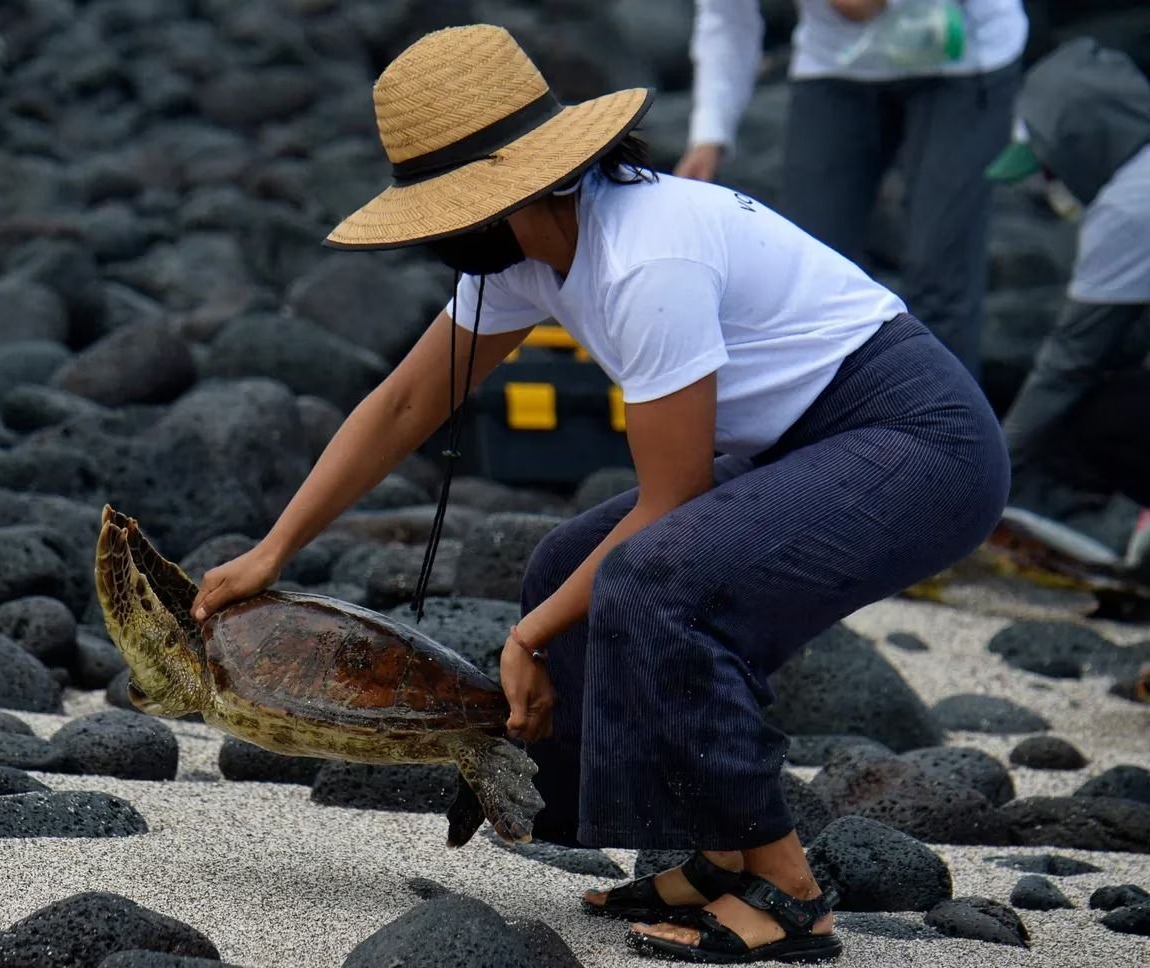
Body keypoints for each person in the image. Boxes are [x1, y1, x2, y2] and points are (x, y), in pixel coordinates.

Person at [190, 24, 1010, 964]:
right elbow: (409, 399)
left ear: (514, 192)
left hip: (920, 443)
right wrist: (275, 548)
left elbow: (671, 506)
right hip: (813, 439)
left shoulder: (643, 262)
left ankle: (788, 889)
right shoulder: (534, 248)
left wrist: (527, 637)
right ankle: (714, 854)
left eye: (450, 214)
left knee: (656, 584)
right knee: (560, 565)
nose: (443, 240)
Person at [678, 0, 1027, 382]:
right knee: (806, 274)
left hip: (965, 56)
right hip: (834, 64)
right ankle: (832, 431)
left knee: (941, 276)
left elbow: (859, 5)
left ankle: (947, 432)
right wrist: (709, 134)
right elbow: (727, 18)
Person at [985, 37, 1150, 567]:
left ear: (1085, 143)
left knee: (1089, 415)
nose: (1050, 185)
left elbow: (1067, 364)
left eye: (1051, 169)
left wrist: (985, 479)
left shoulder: (1128, 208)